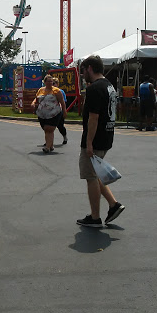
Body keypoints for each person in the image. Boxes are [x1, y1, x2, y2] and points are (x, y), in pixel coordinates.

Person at [76, 56, 124, 227]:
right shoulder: (109, 86)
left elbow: (93, 118)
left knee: (90, 177)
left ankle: (95, 217)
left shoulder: (95, 88)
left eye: (83, 71)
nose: (82, 75)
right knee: (96, 174)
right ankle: (113, 205)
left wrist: (89, 143)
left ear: (89, 68)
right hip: (107, 135)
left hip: (96, 138)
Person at [31, 74, 67, 153]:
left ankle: (47, 147)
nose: (50, 83)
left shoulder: (57, 91)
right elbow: (36, 99)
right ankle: (51, 145)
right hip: (42, 114)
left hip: (54, 113)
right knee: (46, 130)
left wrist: (64, 111)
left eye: (52, 81)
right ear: (45, 82)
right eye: (49, 81)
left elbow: (62, 102)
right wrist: (33, 104)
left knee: (49, 129)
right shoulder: (41, 90)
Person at [52, 77, 68, 145]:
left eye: (54, 83)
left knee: (60, 126)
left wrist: (62, 111)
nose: (52, 85)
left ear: (57, 84)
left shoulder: (60, 92)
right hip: (50, 111)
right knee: (49, 127)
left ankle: (65, 137)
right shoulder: (48, 91)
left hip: (59, 111)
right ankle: (49, 141)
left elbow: (63, 102)